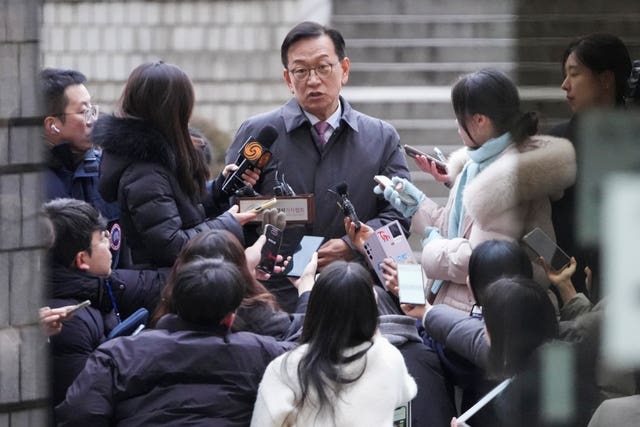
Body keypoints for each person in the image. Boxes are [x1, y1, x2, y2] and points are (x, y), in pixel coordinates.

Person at [226, 21, 411, 311]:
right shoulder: (258, 132)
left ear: (344, 69)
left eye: (323, 67)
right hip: (275, 299)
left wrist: (353, 247)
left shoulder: (381, 136)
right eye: (301, 71)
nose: (313, 80)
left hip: (356, 294)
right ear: (288, 79)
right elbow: (231, 215)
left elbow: (400, 217)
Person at [376, 69, 576, 312]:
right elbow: (456, 230)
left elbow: (480, 262)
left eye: (460, 116)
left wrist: (432, 248)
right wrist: (417, 204)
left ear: (480, 120)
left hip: (491, 315)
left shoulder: (506, 181)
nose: (456, 124)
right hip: (462, 305)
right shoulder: (476, 164)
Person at [56, 258, 292, 426]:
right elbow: (309, 353)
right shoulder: (264, 351)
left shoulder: (118, 355)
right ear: (231, 316)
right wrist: (307, 295)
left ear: (172, 300)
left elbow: (79, 414)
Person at [94, 61, 257, 269]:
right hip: (167, 288)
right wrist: (228, 223)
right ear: (174, 108)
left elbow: (179, 210)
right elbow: (172, 246)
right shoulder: (145, 172)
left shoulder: (158, 156)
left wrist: (219, 189)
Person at [251, 261, 416, 426]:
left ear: (315, 307)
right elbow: (406, 392)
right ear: (371, 308)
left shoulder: (287, 368)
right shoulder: (389, 358)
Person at [43, 198, 164, 406]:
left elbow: (151, 285)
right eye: (102, 239)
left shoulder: (98, 285)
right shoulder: (68, 322)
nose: (110, 243)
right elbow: (83, 402)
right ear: (82, 259)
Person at [549, 33, 632, 294]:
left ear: (605, 79)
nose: (565, 85)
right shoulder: (555, 143)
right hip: (565, 288)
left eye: (574, 74)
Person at [151, 229, 316, 340]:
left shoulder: (164, 320)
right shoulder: (253, 316)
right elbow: (300, 338)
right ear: (230, 319)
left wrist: (246, 273)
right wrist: (307, 289)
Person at [40, 68, 121, 266]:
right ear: (52, 125)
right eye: (84, 112)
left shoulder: (106, 168)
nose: (93, 119)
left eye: (92, 109)